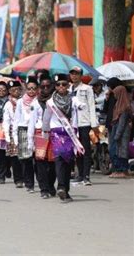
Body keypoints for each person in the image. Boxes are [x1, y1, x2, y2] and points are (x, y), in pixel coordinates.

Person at [43, 74, 84, 203]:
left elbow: (80, 105)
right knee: (59, 159)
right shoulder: (50, 102)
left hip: (70, 133)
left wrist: (82, 105)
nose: (61, 86)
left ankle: (65, 190)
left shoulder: (73, 99)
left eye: (64, 84)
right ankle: (61, 186)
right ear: (55, 87)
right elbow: (46, 119)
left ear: (68, 85)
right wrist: (45, 132)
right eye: (58, 84)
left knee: (69, 162)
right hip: (57, 133)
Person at [28, 72, 56, 199]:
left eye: (48, 86)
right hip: (40, 134)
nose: (45, 88)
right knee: (40, 163)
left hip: (54, 134)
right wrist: (30, 141)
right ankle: (43, 189)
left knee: (54, 163)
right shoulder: (35, 103)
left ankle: (50, 185)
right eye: (43, 86)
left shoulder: (56, 100)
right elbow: (32, 122)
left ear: (52, 86)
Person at [69, 66, 98, 185]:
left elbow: (91, 106)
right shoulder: (68, 89)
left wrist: (94, 123)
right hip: (72, 125)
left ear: (81, 75)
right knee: (76, 150)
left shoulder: (87, 89)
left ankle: (86, 176)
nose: (74, 76)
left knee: (85, 150)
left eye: (77, 74)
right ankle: (79, 174)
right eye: (72, 74)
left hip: (84, 123)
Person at [13, 77, 38, 193]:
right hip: (23, 130)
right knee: (26, 159)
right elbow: (16, 119)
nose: (31, 91)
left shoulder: (39, 101)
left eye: (34, 88)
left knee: (38, 158)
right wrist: (15, 137)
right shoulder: (20, 102)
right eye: (29, 89)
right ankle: (29, 184)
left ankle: (41, 180)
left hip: (37, 131)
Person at [3, 80, 24, 187]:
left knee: (24, 156)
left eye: (18, 89)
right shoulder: (8, 104)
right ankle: (18, 179)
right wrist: (7, 135)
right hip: (12, 131)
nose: (16, 91)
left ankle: (26, 177)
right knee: (15, 157)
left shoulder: (24, 101)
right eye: (13, 90)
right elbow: (6, 120)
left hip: (23, 130)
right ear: (9, 91)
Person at [108, 85, 132, 178]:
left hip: (121, 132)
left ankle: (121, 171)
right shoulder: (119, 104)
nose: (115, 95)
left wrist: (117, 135)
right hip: (117, 130)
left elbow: (122, 123)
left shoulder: (124, 106)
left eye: (116, 93)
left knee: (121, 151)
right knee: (119, 151)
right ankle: (121, 171)